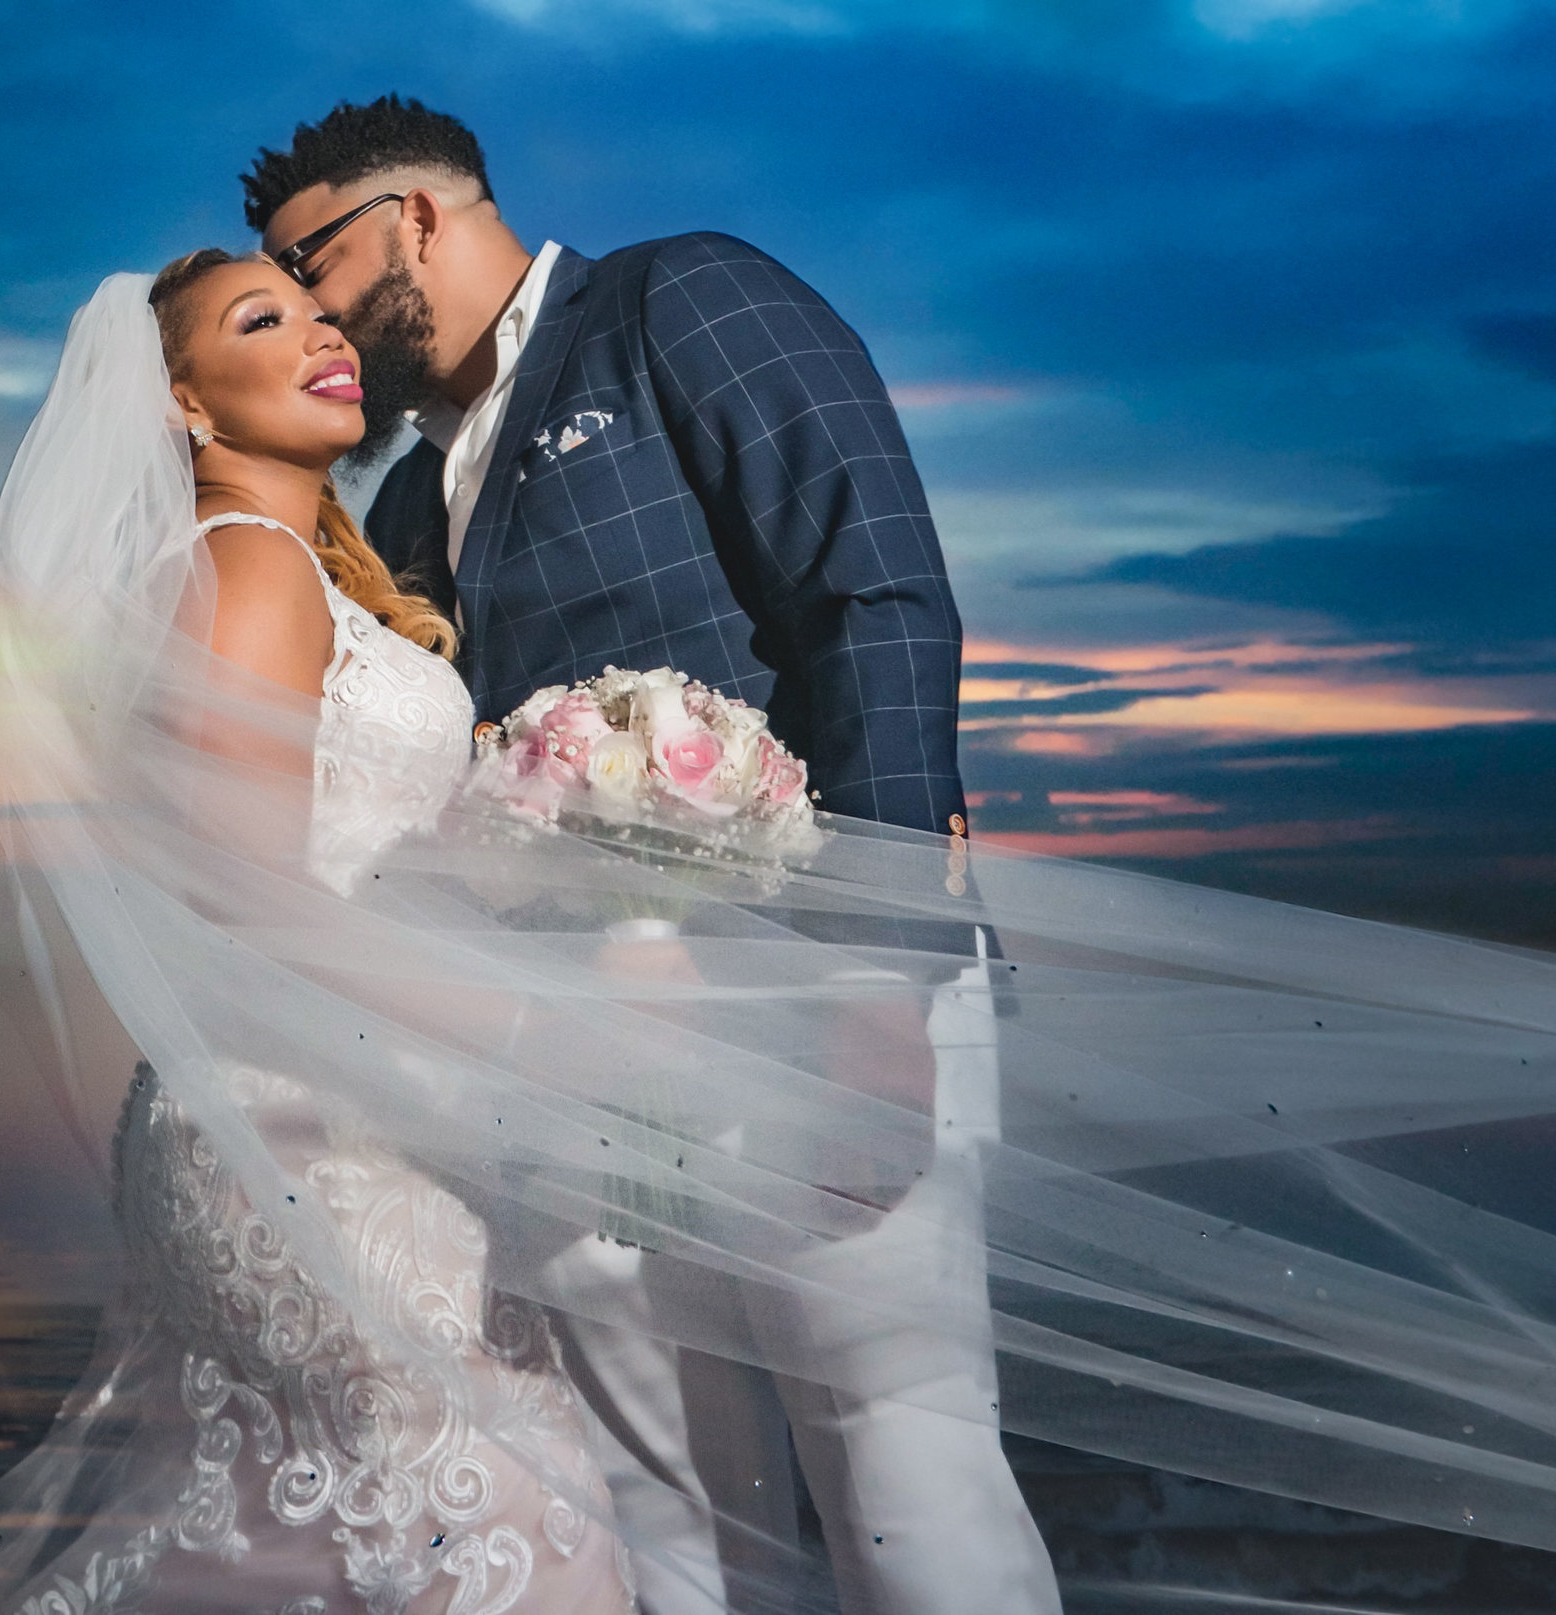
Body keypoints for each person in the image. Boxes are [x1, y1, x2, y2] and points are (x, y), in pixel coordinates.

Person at [0, 253, 1556, 1615]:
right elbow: (256, 896)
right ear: (180, 402)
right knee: (512, 1522)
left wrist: (662, 899)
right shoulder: (257, 571)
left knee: (465, 1512)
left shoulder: (406, 525)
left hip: (413, 1103)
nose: (329, 331)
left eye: (325, 300)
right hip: (326, 1124)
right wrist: (536, 1031)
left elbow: (863, 594)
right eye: (269, 315)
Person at [243, 97, 1035, 1614]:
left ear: (414, 215)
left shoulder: (682, 301)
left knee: (904, 1475)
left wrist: (882, 984)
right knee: (666, 1513)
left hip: (809, 1007)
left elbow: (870, 597)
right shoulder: (411, 494)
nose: (315, 315)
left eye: (313, 260)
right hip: (571, 1077)